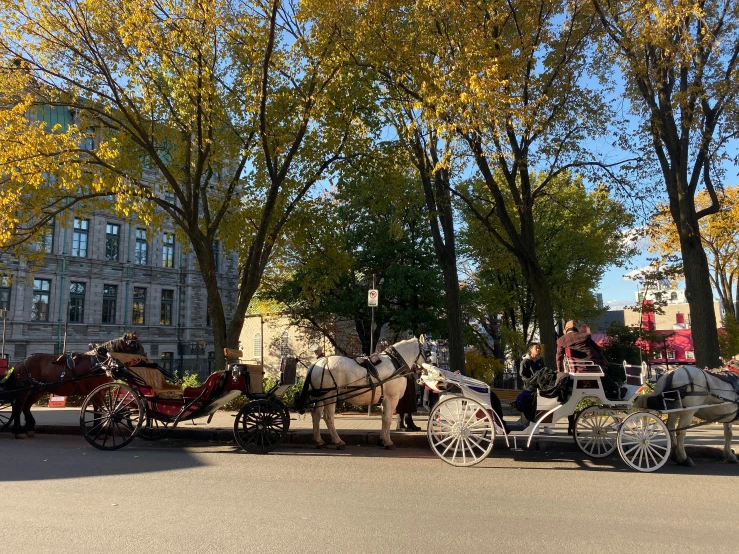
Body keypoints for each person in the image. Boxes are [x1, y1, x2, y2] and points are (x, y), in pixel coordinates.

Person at [556, 320, 622, 400]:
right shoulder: (585, 336)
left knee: (600, 369)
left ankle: (610, 390)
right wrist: (603, 361)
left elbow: (559, 357)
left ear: (566, 330)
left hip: (576, 368)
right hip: (591, 366)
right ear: (576, 329)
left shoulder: (560, 340)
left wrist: (560, 371)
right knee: (602, 369)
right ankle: (615, 390)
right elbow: (597, 349)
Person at [516, 343, 552, 434]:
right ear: (531, 349)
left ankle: (547, 426)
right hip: (530, 388)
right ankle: (534, 426)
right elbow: (522, 375)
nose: (538, 350)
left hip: (540, 386)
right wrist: (530, 382)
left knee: (546, 405)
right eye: (536, 348)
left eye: (539, 348)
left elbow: (544, 371)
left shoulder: (541, 361)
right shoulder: (525, 361)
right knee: (534, 406)